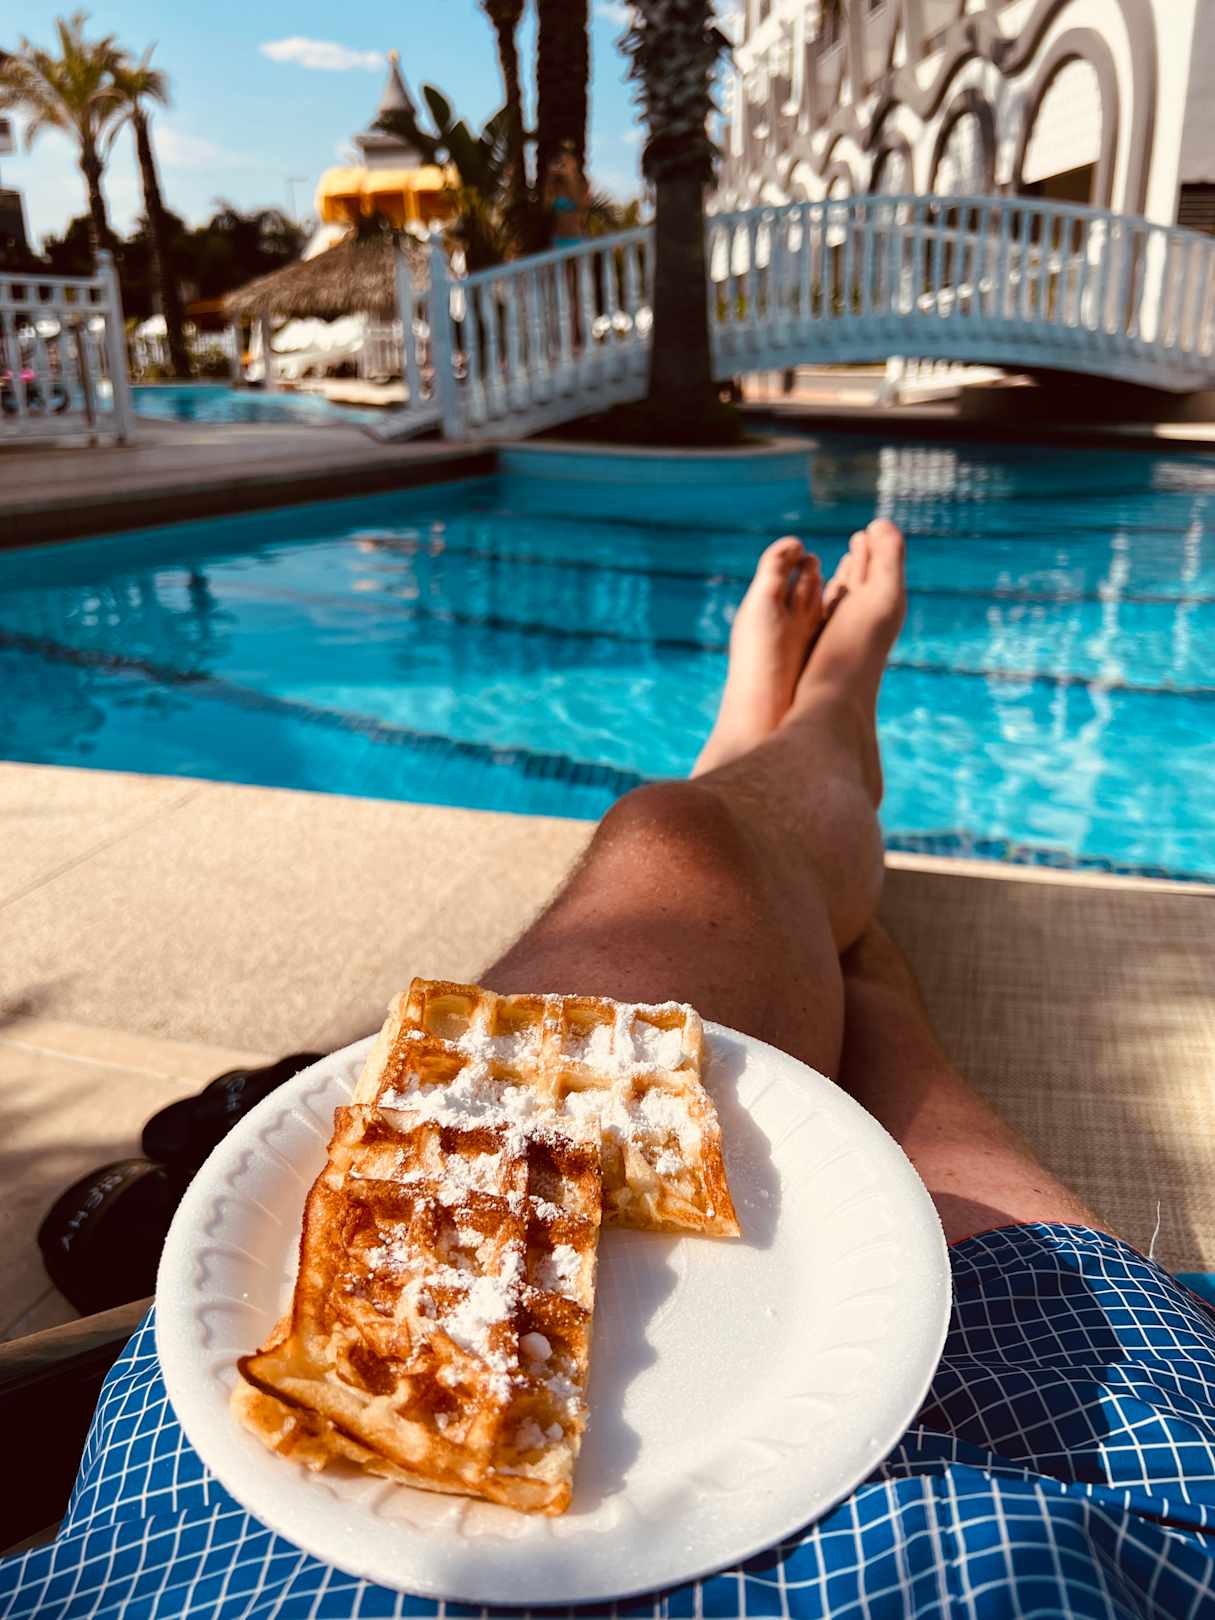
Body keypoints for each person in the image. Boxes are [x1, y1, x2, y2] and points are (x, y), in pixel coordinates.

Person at [4, 523, 1213, 1618]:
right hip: (1070, 1485)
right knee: (803, 947)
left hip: (214, 1552)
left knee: (682, 842)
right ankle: (831, 729)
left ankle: (771, 761)